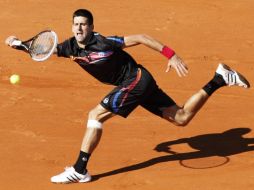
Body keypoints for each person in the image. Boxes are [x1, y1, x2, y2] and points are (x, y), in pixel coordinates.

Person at [5, 9, 250, 184]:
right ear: (72, 27)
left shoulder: (104, 42)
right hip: (137, 83)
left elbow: (141, 38)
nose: (79, 28)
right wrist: (18, 43)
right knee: (181, 117)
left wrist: (171, 54)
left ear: (91, 27)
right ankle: (219, 79)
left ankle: (80, 170)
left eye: (83, 24)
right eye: (75, 24)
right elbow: (42, 49)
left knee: (95, 115)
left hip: (135, 80)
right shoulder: (69, 46)